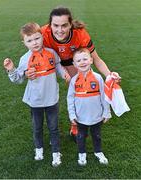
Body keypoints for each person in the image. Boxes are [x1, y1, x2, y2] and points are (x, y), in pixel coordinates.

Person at [25, 6, 120, 139]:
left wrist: (110, 75)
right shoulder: (43, 33)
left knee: (79, 88)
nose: (59, 30)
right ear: (50, 25)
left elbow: (97, 60)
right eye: (55, 25)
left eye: (64, 25)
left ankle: (76, 123)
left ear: (70, 24)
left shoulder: (80, 34)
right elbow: (30, 55)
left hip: (72, 62)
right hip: (51, 62)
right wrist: (26, 71)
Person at [3, 22, 70, 167]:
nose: (34, 43)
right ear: (24, 43)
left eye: (37, 38)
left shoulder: (51, 53)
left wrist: (64, 73)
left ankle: (56, 152)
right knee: (37, 127)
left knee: (53, 127)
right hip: (35, 101)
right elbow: (18, 79)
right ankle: (39, 149)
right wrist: (11, 69)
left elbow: (57, 65)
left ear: (42, 37)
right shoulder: (25, 59)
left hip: (52, 98)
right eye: (30, 40)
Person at [67, 48, 111, 166]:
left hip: (96, 116)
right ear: (74, 64)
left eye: (85, 59)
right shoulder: (74, 81)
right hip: (80, 117)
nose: (82, 62)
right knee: (81, 136)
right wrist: (72, 114)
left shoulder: (98, 78)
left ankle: (98, 151)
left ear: (91, 60)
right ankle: (82, 153)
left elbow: (104, 96)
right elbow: (70, 99)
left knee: (96, 135)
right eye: (79, 60)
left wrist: (106, 112)